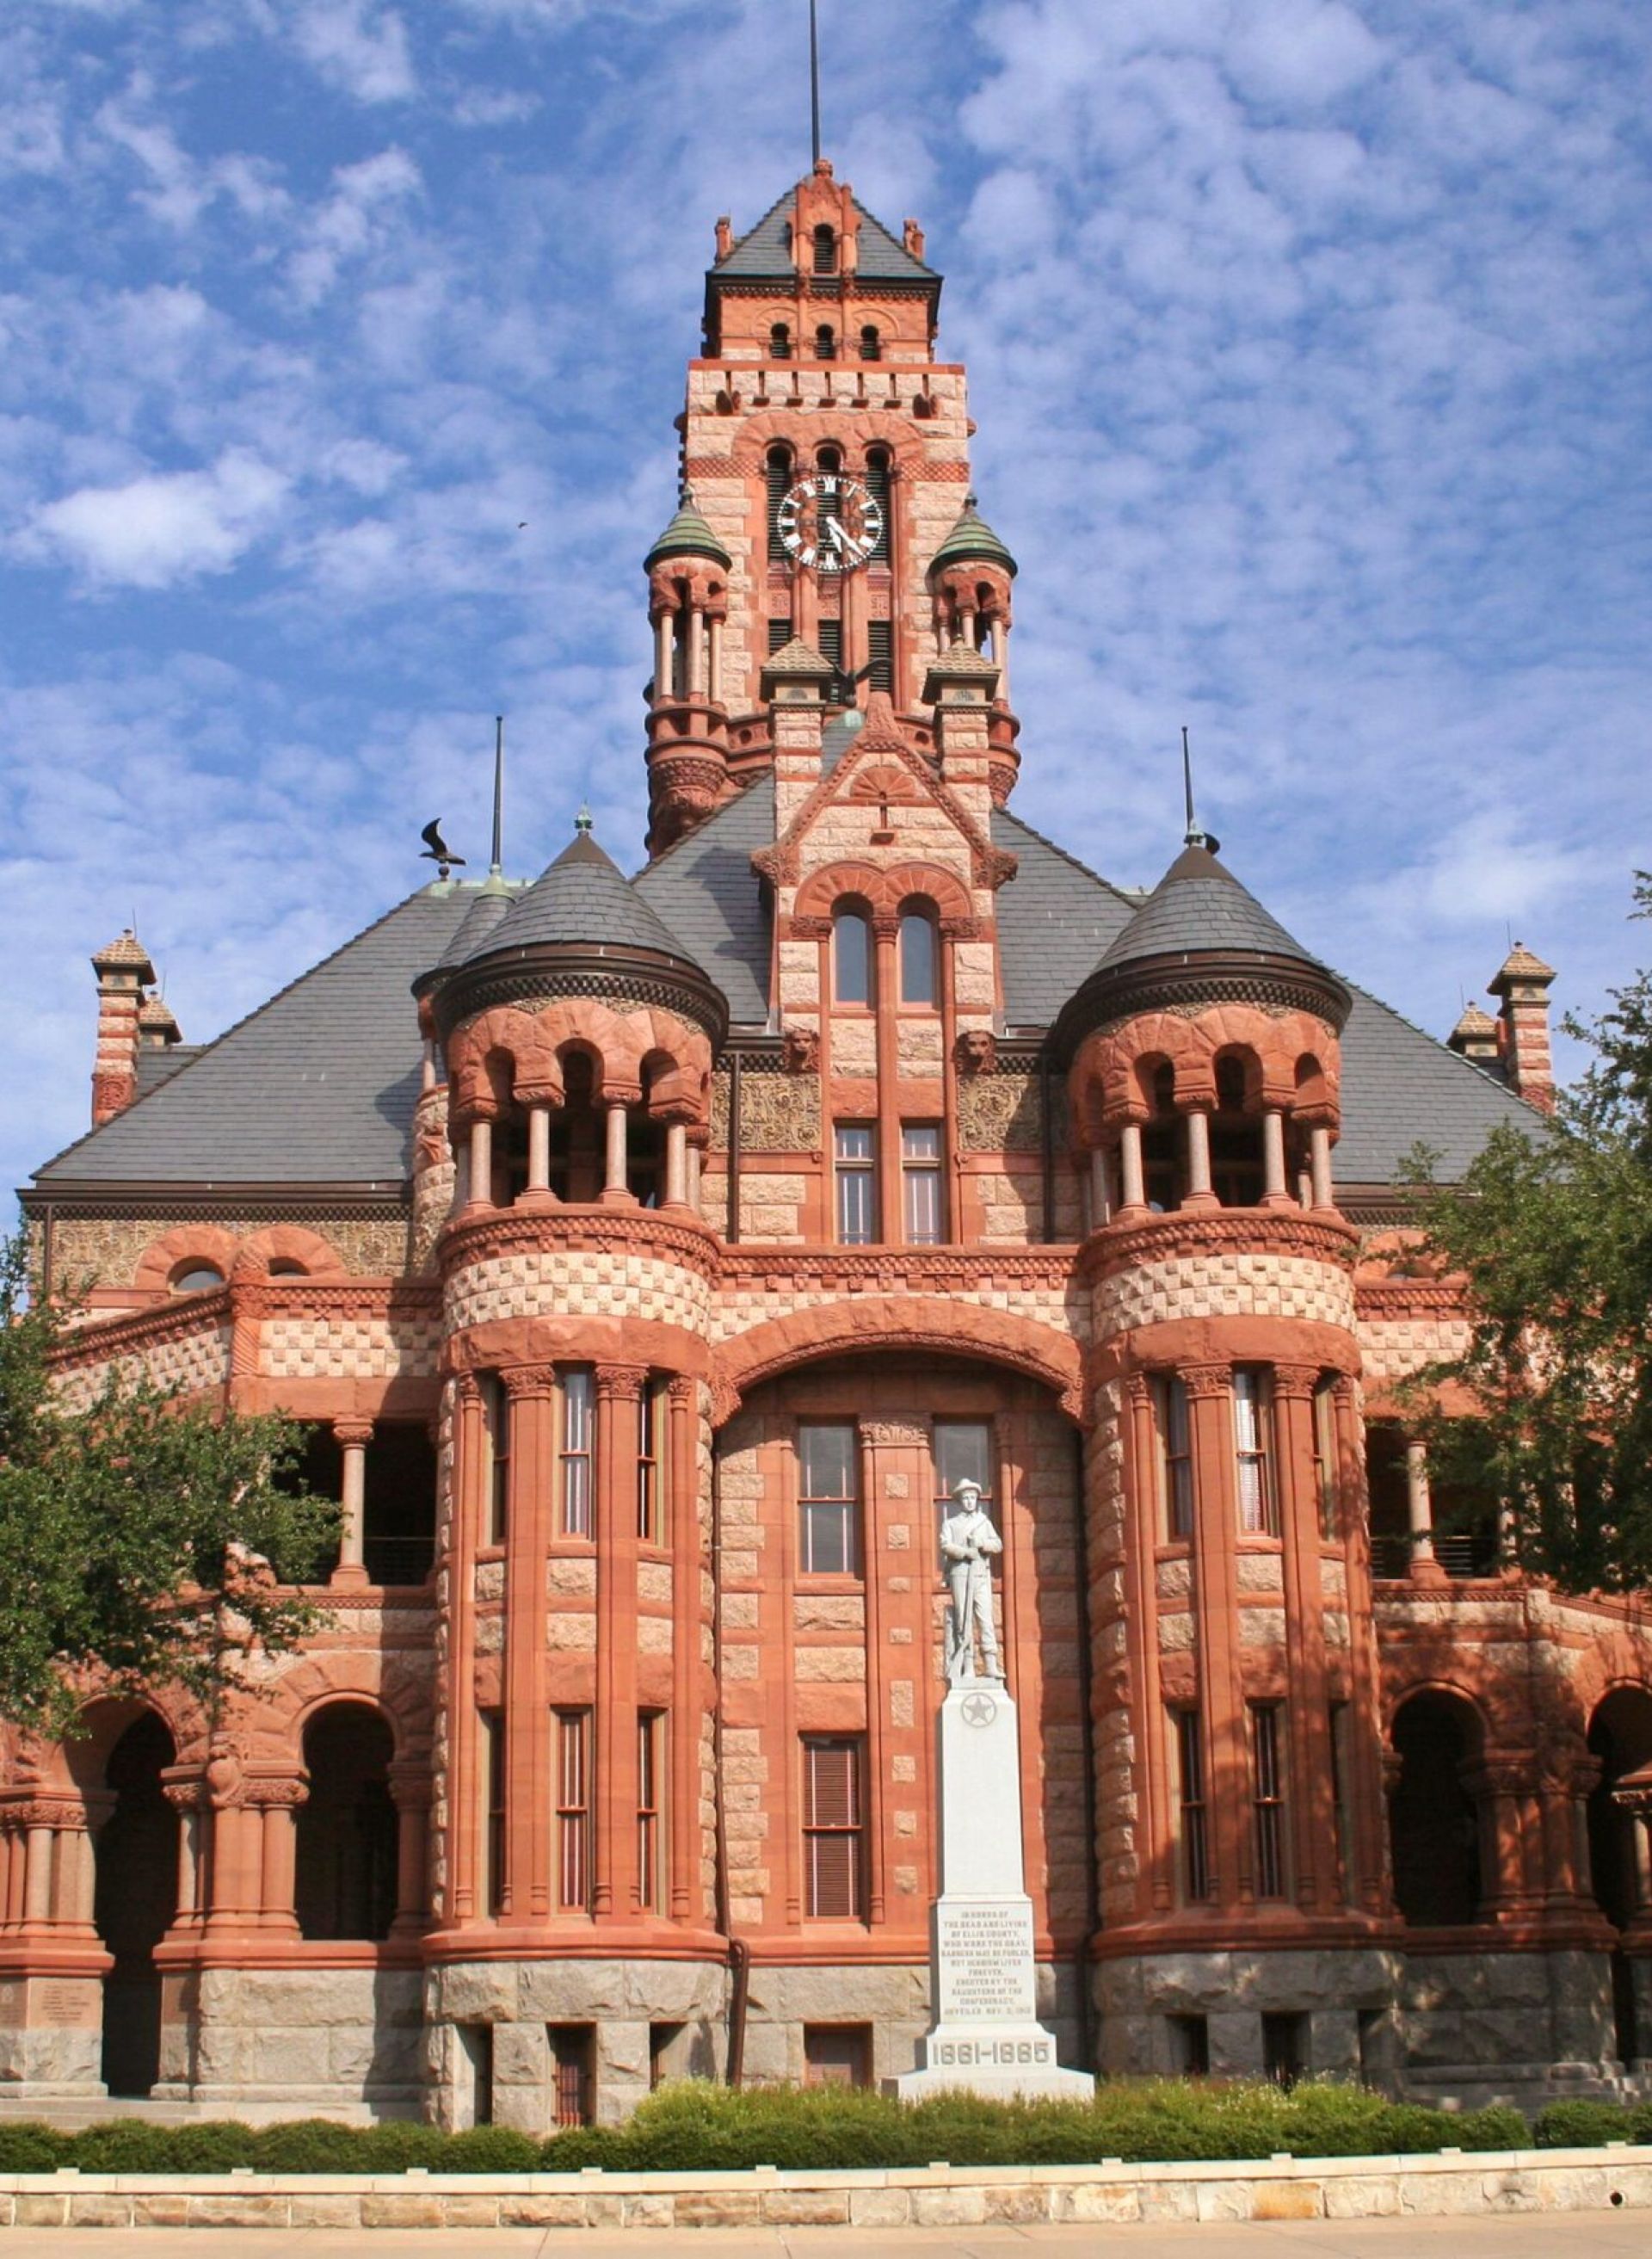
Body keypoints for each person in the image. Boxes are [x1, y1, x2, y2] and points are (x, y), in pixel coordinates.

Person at [940, 1478, 1003, 1685]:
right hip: (959, 1573)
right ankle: (968, 1665)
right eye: (965, 1498)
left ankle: (991, 1664)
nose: (969, 1501)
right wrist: (965, 1551)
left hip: (980, 1574)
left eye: (972, 1498)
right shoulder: (950, 1523)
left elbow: (997, 1545)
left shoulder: (984, 1523)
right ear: (959, 1500)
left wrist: (982, 1544)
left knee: (985, 1619)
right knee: (962, 1622)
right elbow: (945, 1545)